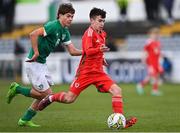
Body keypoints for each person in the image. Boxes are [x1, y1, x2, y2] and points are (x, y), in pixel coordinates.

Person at [38, 7, 137, 129]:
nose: (102, 24)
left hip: (99, 73)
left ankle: (120, 121)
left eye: (103, 21)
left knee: (117, 90)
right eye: (99, 21)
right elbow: (88, 51)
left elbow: (97, 52)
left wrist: (101, 58)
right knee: (69, 99)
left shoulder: (103, 34)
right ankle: (51, 98)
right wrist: (99, 50)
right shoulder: (88, 33)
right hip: (85, 73)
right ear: (92, 20)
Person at [6, 3, 82, 127]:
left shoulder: (65, 32)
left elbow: (72, 51)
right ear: (60, 15)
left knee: (43, 96)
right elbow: (33, 34)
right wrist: (36, 52)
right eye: (68, 16)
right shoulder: (53, 26)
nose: (70, 19)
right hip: (33, 63)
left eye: (72, 17)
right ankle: (17, 89)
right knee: (48, 95)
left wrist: (87, 52)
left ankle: (24, 119)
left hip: (41, 64)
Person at [136, 27, 164, 96]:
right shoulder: (149, 42)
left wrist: (161, 55)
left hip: (156, 62)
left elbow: (157, 51)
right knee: (152, 75)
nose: (156, 35)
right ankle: (142, 85)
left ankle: (153, 89)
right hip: (151, 61)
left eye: (157, 34)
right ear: (151, 34)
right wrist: (143, 58)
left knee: (156, 75)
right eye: (154, 34)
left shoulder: (158, 42)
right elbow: (145, 50)